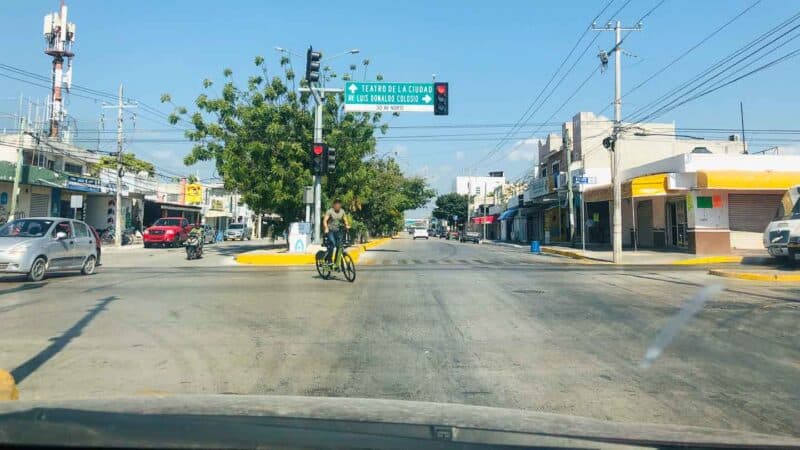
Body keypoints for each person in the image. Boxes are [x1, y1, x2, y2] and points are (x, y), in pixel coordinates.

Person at [323, 199, 350, 264]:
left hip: (338, 231)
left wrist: (347, 225)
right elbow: (324, 221)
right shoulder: (330, 211)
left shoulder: (342, 211)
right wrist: (326, 228)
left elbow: (345, 219)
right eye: (336, 205)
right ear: (334, 205)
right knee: (332, 243)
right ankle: (329, 261)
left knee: (339, 246)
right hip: (330, 231)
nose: (338, 206)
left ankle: (336, 262)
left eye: (339, 205)